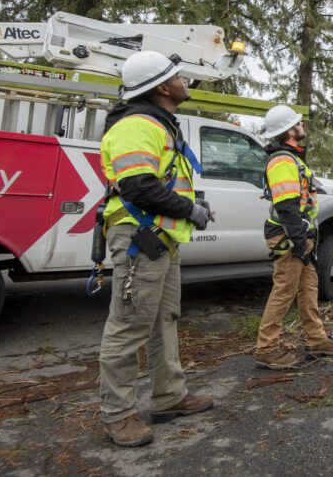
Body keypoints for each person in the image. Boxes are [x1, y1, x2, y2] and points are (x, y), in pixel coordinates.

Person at [97, 50, 216, 447]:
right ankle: (118, 415)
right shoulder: (137, 125)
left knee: (164, 319)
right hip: (139, 240)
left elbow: (161, 183)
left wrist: (193, 206)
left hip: (160, 240)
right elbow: (139, 187)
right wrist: (190, 209)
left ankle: (169, 398)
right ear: (163, 87)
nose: (185, 81)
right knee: (129, 325)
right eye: (179, 76)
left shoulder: (159, 125)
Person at [253, 105, 333, 368]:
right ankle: (267, 348)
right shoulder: (282, 161)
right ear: (289, 131)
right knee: (284, 291)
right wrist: (299, 242)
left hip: (297, 235)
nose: (302, 124)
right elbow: (287, 207)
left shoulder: (292, 159)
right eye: (297, 122)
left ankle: (316, 339)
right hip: (289, 236)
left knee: (308, 287)